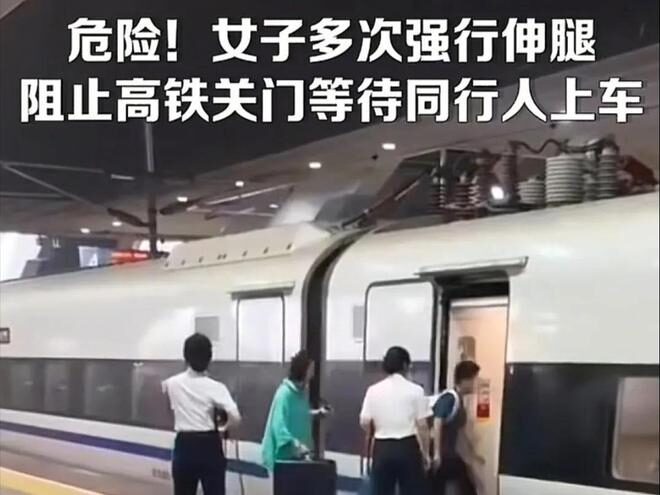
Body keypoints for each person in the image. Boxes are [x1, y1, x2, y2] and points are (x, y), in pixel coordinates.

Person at [162, 333, 241, 495]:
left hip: (184, 445)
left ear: (186, 357)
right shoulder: (216, 387)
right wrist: (223, 428)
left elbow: (166, 399)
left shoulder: (171, 383)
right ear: (209, 358)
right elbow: (236, 417)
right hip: (209, 445)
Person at [359, 346, 431, 495]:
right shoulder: (416, 390)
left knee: (381, 491)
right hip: (408, 447)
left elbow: (365, 421)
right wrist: (425, 453)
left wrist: (377, 429)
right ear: (405, 365)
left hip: (382, 448)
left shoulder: (373, 390)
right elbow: (422, 426)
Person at [431, 360, 483, 495]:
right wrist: (437, 453)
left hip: (450, 454)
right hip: (443, 455)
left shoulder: (459, 400)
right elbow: (437, 421)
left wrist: (472, 452)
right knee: (465, 486)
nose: (475, 384)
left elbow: (461, 430)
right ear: (465, 380)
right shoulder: (450, 398)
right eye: (474, 380)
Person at [261, 350, 316, 473]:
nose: (312, 374)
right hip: (284, 460)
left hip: (299, 457)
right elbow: (278, 425)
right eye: (311, 369)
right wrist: (296, 445)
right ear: (303, 370)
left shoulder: (302, 394)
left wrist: (316, 413)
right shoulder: (284, 394)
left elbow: (297, 414)